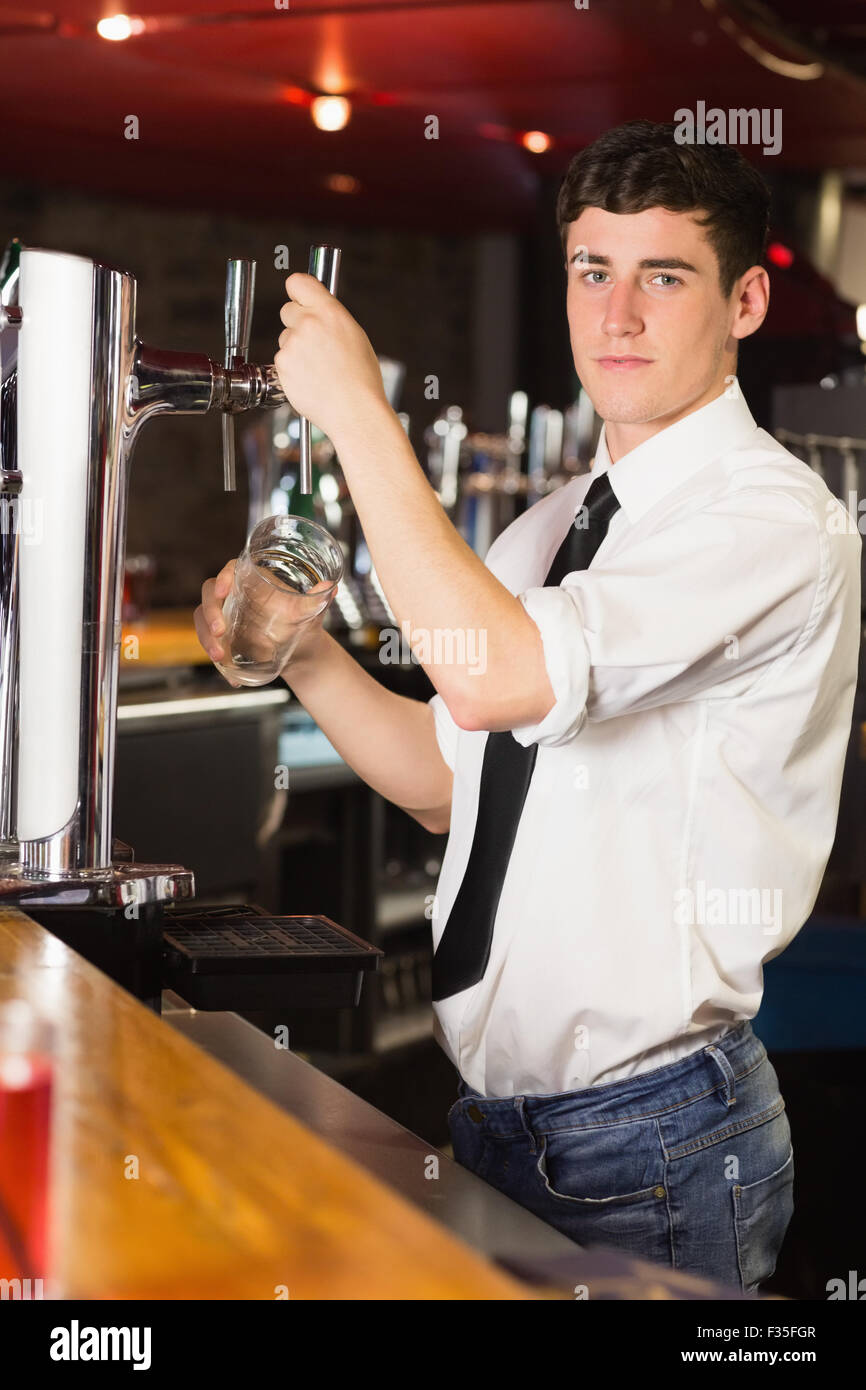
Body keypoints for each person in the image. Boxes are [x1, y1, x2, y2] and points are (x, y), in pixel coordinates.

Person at [195, 119, 861, 1295]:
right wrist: (305, 657)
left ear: (745, 305)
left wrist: (359, 415)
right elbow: (450, 778)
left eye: (662, 277)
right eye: (590, 271)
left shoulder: (769, 519)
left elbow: (502, 675)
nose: (616, 316)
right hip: (498, 1121)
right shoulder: (545, 529)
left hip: (654, 1138)